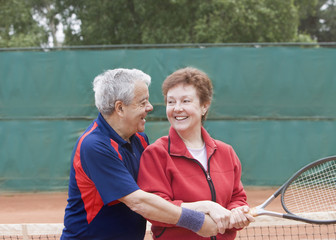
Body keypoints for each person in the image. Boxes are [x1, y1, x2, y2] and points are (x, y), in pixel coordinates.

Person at [60, 68, 225, 240]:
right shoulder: (94, 145)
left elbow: (155, 197)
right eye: (143, 102)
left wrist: (206, 206)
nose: (150, 107)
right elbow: (138, 201)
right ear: (120, 108)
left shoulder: (139, 138)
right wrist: (197, 221)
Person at [137, 67, 254, 240]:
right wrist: (204, 207)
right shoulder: (156, 153)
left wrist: (237, 212)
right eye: (171, 102)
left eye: (185, 101)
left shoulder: (226, 152)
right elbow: (156, 209)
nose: (177, 108)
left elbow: (237, 197)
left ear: (204, 106)